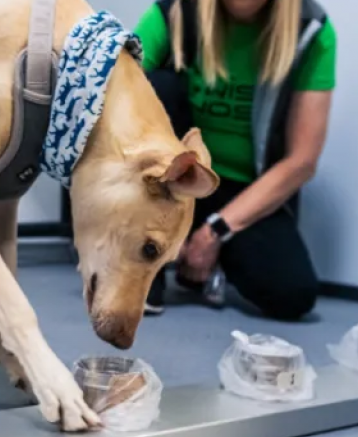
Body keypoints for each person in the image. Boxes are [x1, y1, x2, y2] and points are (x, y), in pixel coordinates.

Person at [133, 0, 336, 320]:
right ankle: (145, 264)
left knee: (292, 293)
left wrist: (214, 232)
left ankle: (208, 258)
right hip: (174, 180)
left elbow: (302, 160)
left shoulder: (310, 28)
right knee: (154, 85)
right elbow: (114, 92)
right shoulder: (175, 10)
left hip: (244, 192)